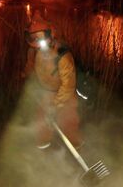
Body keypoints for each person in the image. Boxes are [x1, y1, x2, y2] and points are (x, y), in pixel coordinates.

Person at [22, 14, 81, 150]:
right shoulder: (33, 51)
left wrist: (55, 106)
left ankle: (76, 153)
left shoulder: (62, 55)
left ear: (50, 34)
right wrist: (26, 76)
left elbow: (68, 85)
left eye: (40, 36)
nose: (37, 41)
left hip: (65, 94)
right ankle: (43, 151)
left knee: (69, 124)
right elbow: (30, 67)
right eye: (33, 37)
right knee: (41, 122)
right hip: (45, 93)